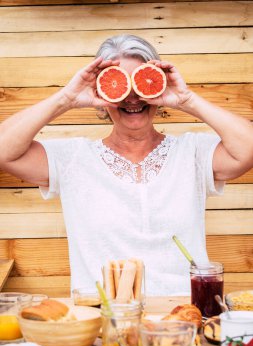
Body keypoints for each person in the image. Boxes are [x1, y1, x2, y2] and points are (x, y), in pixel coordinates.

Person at [0, 34, 252, 296]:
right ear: (101, 91)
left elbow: (248, 147)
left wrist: (188, 99)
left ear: (159, 86)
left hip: (182, 321)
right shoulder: (72, 158)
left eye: (141, 83)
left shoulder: (193, 153)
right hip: (102, 321)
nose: (132, 97)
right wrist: (67, 98)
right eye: (120, 84)